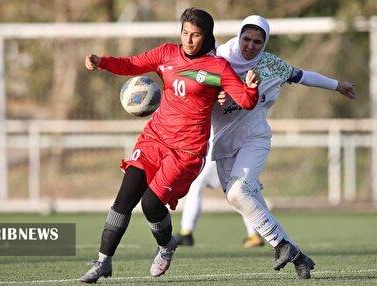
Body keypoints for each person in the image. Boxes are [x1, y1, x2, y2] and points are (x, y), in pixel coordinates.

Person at [79, 8, 259, 283]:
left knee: (151, 204)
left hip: (186, 152)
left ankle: (166, 246)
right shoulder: (166, 54)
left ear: (207, 36)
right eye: (185, 33)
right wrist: (101, 61)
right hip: (154, 139)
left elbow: (245, 101)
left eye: (195, 35)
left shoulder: (217, 68)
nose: (188, 40)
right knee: (125, 197)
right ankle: (103, 261)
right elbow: (131, 64)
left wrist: (251, 87)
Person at [177, 15, 356, 280]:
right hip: (223, 144)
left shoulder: (271, 64)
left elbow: (303, 75)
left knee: (238, 193)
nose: (250, 46)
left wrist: (337, 85)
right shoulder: (218, 58)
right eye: (246, 39)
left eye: (257, 42)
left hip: (255, 138)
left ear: (265, 43)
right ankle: (295, 255)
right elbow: (192, 85)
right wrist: (215, 94)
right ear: (239, 36)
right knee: (246, 200)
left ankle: (283, 247)